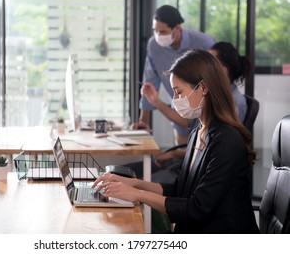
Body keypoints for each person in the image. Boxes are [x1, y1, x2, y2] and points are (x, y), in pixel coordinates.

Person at [93, 49, 259, 233]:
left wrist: (138, 195)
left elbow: (196, 208)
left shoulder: (226, 140)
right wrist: (132, 183)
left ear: (203, 88)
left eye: (179, 92)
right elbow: (180, 189)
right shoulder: (199, 129)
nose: (175, 100)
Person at [146, 41, 251, 174]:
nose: (204, 67)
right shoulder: (200, 126)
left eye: (210, 62)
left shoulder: (233, 111)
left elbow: (214, 152)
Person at [132, 5, 215, 145]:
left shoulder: (203, 42)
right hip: (180, 119)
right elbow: (149, 83)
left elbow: (217, 80)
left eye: (163, 31)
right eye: (155, 31)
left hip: (208, 120)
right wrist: (143, 121)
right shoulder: (154, 46)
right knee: (181, 161)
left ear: (177, 28)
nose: (158, 36)